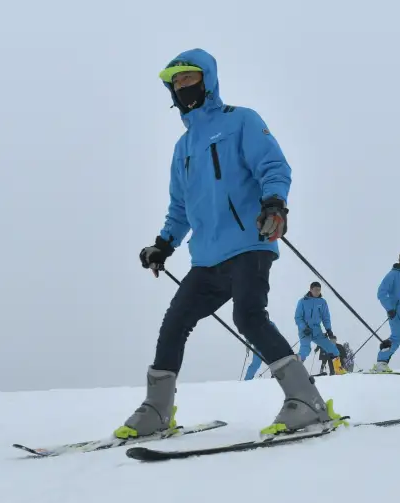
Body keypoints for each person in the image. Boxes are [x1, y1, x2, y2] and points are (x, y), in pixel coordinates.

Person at [116, 48, 344, 440]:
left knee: (248, 316)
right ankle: (157, 409)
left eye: (189, 78)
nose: (182, 87)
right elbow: (180, 208)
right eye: (176, 83)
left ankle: (306, 401)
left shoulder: (241, 121)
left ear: (207, 80)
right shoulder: (183, 148)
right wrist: (163, 245)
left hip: (249, 243)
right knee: (174, 323)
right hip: (206, 257)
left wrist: (274, 204)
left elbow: (274, 166)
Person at [295, 282, 345, 375]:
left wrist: (329, 330)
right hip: (305, 331)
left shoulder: (322, 302)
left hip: (317, 331)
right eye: (315, 290)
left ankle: (338, 369)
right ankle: (296, 371)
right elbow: (298, 317)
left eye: (319, 290)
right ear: (310, 289)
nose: (317, 292)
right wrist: (304, 327)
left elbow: (326, 317)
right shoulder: (303, 301)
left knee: (332, 348)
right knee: (305, 349)